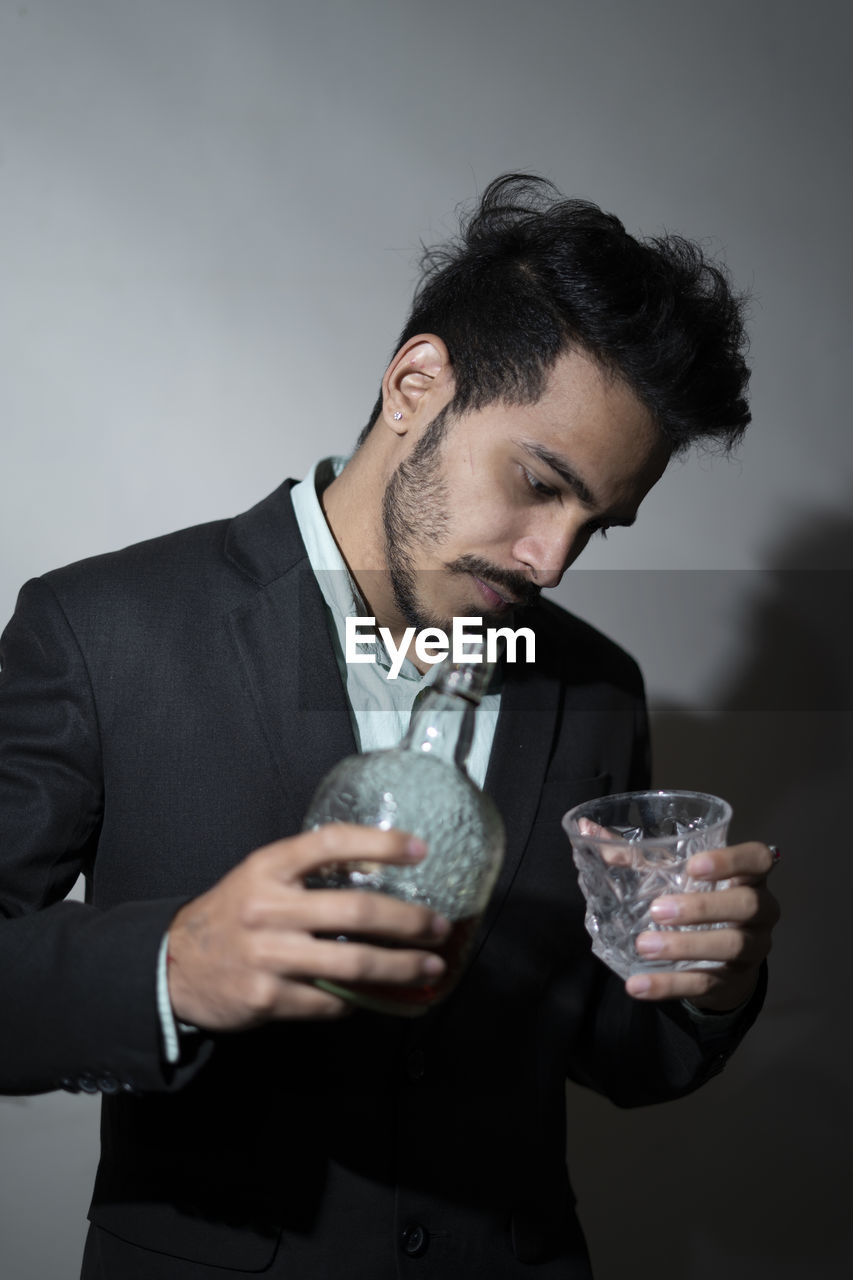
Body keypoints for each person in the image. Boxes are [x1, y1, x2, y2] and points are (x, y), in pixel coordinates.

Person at [0, 174, 780, 1279]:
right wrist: (170, 968)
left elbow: (616, 1047)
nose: (550, 561)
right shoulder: (100, 627)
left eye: (596, 523)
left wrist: (709, 984)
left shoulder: (597, 687)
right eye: (538, 482)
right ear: (417, 383)